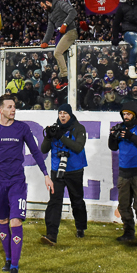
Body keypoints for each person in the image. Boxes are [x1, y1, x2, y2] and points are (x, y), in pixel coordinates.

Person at [0, 94, 53, 273]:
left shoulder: (22, 128)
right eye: (9, 107)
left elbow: (35, 151)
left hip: (17, 182)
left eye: (14, 106)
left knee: (15, 221)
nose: (13, 110)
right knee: (3, 219)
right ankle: (8, 259)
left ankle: (14, 267)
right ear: (0, 110)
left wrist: (46, 175)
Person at [40, 103, 88, 245]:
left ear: (70, 114)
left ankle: (80, 227)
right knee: (55, 202)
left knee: (77, 200)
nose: (62, 116)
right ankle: (51, 234)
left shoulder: (79, 128)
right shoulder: (55, 128)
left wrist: (61, 137)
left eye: (65, 113)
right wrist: (48, 137)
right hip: (57, 170)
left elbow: (78, 147)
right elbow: (43, 150)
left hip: (74, 169)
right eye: (60, 113)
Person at [108, 102, 137, 245]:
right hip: (124, 169)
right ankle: (128, 232)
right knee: (123, 204)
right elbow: (113, 146)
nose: (126, 117)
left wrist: (130, 136)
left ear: (134, 114)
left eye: (128, 114)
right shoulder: (120, 128)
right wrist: (112, 136)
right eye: (124, 114)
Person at [38, 0, 78, 91]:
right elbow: (50, 28)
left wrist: (65, 24)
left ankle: (64, 79)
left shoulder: (60, 4)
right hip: (62, 35)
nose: (44, 9)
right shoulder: (50, 14)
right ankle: (64, 78)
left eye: (44, 6)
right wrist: (45, 41)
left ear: (47, 2)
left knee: (57, 53)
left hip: (70, 32)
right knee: (61, 56)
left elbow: (73, 12)